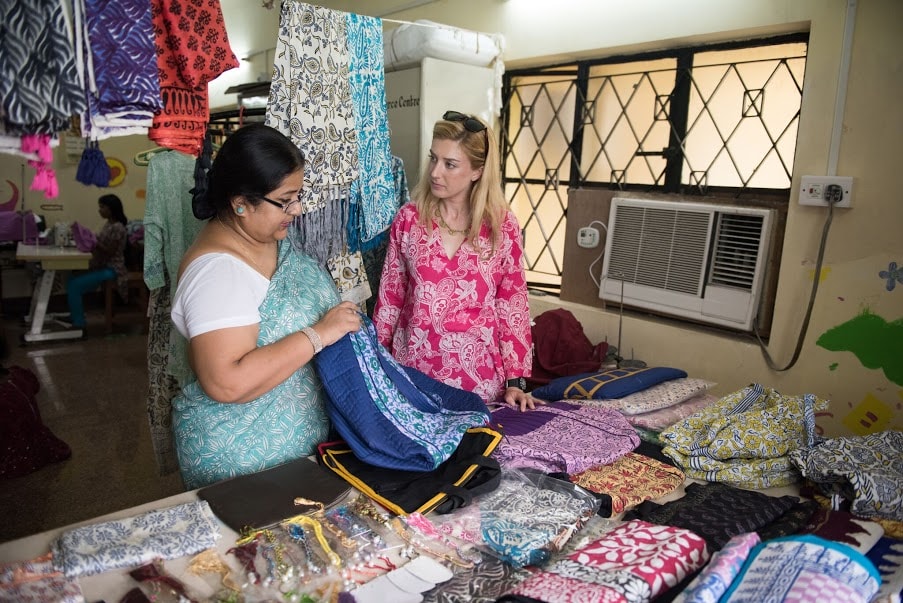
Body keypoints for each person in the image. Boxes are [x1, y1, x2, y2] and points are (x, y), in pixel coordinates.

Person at [170, 123, 362, 490]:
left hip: (294, 451)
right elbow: (226, 382)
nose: (298, 209)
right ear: (240, 202)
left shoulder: (266, 239)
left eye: (298, 195)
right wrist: (319, 333)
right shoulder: (217, 273)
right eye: (285, 200)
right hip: (241, 459)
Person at [373, 110, 537, 411]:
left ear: (477, 171)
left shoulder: (502, 226)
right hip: (412, 379)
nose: (435, 172)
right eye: (433, 158)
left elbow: (512, 305)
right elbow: (390, 299)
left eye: (450, 164)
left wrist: (517, 382)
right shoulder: (409, 220)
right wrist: (376, 366)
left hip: (478, 385)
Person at [65, 194, 128, 329]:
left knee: (75, 285)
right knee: (71, 278)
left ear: (111, 209)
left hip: (113, 269)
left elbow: (110, 251)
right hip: (104, 266)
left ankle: (79, 323)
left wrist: (94, 241)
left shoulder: (118, 227)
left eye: (102, 207)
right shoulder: (109, 224)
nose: (99, 210)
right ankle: (76, 314)